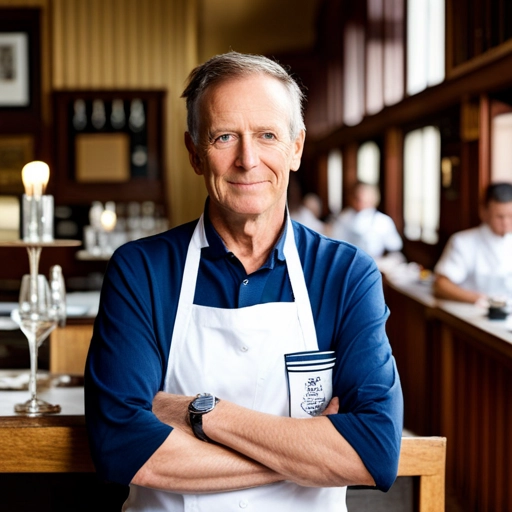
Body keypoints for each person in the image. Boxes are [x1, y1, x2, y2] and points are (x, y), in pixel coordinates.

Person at [85, 51, 403, 511]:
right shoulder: (141, 270)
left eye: (268, 136)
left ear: (295, 149)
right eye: (224, 137)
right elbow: (120, 448)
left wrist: (202, 412)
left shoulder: (346, 273)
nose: (247, 160)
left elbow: (374, 451)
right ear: (195, 153)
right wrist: (312, 454)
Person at [433, 182, 512, 304]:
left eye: (510, 216)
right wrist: (481, 300)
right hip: (473, 314)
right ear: (484, 213)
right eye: (500, 217)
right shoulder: (463, 242)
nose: (506, 222)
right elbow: (441, 285)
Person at [330, 181, 403, 263]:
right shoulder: (343, 218)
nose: (360, 203)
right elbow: (335, 243)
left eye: (364, 200)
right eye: (357, 199)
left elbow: (395, 247)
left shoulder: (383, 221)